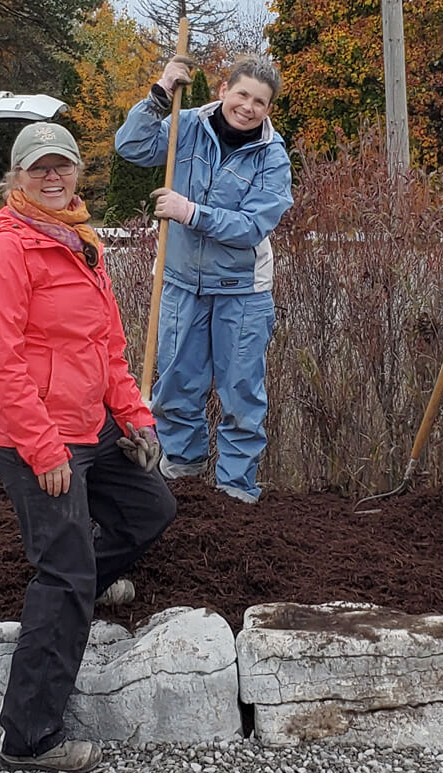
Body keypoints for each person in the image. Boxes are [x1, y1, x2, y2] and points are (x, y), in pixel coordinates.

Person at [0, 121, 177, 773]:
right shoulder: (6, 249)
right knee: (63, 571)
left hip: (91, 420)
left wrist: (137, 424)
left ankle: (86, 582)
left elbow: (107, 349)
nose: (52, 178)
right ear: (18, 177)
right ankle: (27, 737)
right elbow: (1, 363)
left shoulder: (81, 241)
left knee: (151, 507)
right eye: (39, 169)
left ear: (77, 173)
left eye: (62, 166)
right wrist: (45, 448)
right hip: (36, 432)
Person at [114, 53, 294, 504]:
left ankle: (235, 494)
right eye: (242, 95)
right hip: (180, 284)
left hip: (242, 293)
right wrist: (158, 95)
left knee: (239, 397)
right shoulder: (187, 123)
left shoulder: (272, 157)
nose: (249, 107)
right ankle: (184, 486)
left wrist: (190, 212)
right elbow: (130, 147)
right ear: (223, 92)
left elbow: (252, 227)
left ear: (269, 109)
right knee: (176, 389)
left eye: (260, 101)